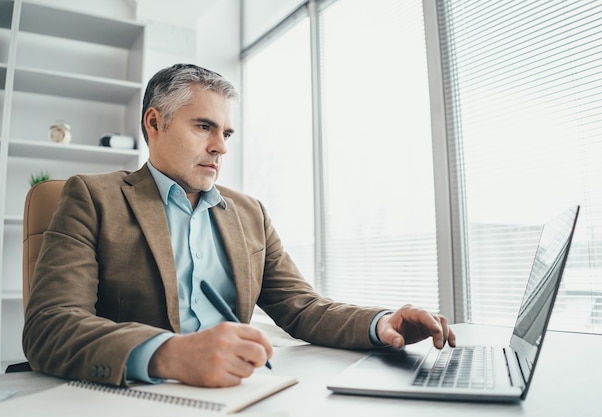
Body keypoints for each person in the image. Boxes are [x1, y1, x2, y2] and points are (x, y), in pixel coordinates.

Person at [23, 63, 455, 388]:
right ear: (154, 124)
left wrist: (381, 324)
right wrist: (171, 355)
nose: (219, 147)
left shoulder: (250, 214)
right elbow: (50, 326)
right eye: (204, 127)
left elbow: (302, 308)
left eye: (227, 133)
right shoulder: (93, 197)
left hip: (237, 395)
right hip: (133, 398)